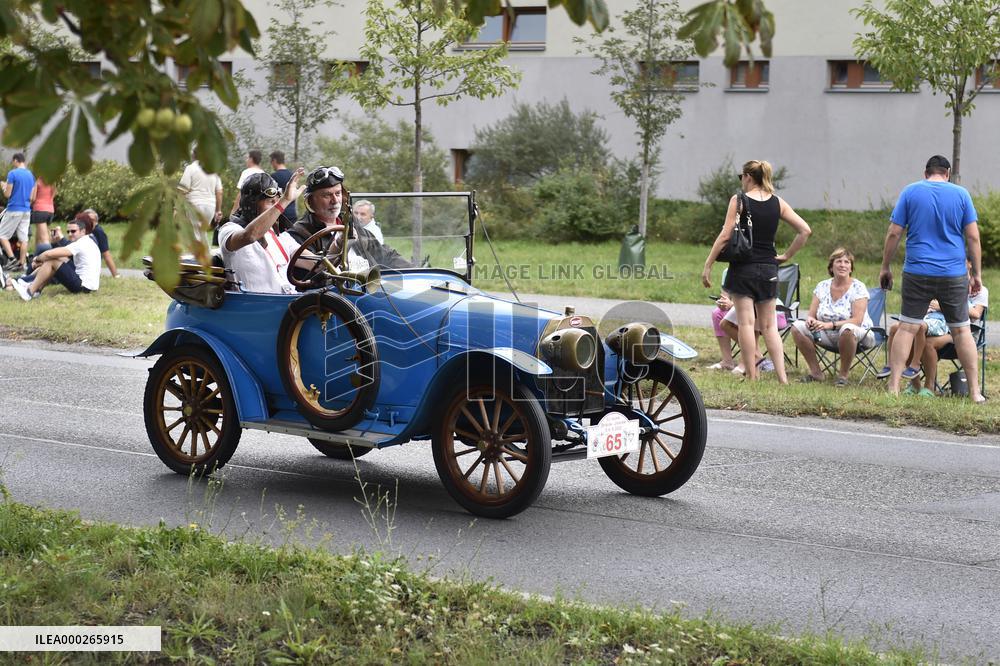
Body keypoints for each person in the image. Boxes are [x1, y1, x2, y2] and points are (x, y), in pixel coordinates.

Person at [879, 155, 985, 403]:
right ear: (947, 173)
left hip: (917, 270)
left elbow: (895, 232)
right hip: (953, 273)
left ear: (925, 172)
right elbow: (973, 238)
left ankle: (893, 387)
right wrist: (977, 274)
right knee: (961, 331)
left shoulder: (910, 191)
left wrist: (885, 266)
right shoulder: (961, 194)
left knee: (906, 327)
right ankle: (975, 393)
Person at [701, 159, 811, 383]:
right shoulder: (778, 202)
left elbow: (725, 235)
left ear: (749, 177)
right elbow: (804, 230)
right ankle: (783, 379)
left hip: (743, 268)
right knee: (769, 326)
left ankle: (752, 376)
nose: (741, 182)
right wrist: (787, 256)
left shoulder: (739, 200)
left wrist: (708, 264)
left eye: (742, 178)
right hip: (769, 268)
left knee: (747, 324)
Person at [790, 248, 875, 386]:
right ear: (831, 266)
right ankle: (816, 373)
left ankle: (843, 376)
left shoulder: (858, 287)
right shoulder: (822, 286)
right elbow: (811, 314)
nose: (842, 265)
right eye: (838, 261)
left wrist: (830, 325)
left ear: (851, 268)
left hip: (859, 335)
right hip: (826, 335)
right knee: (797, 326)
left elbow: (857, 320)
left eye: (847, 262)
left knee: (848, 329)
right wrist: (811, 321)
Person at [218, 169, 305, 294]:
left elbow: (317, 263)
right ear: (252, 204)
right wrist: (284, 201)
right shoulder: (229, 230)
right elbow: (250, 236)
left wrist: (340, 241)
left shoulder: (280, 237)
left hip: (288, 304)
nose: (277, 208)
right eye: (271, 202)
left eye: (277, 202)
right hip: (255, 306)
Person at [10, 214, 101, 300]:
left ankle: (29, 291)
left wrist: (36, 259)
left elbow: (49, 254)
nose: (70, 234)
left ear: (83, 231)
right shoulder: (87, 241)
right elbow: (59, 255)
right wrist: (54, 243)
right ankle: (34, 287)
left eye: (73, 231)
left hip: (84, 287)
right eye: (68, 231)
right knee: (58, 259)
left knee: (52, 261)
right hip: (89, 285)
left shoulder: (81, 243)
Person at [0, 152, 35, 271]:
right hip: (26, 209)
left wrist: (4, 187)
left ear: (16, 160)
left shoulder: (13, 174)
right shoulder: (31, 175)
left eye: (13, 161)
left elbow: (7, 194)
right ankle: (21, 263)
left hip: (14, 208)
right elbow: (32, 197)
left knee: (2, 235)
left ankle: (12, 259)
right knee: (23, 238)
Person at [177, 151, 223, 239]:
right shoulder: (213, 169)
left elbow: (183, 189)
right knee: (202, 233)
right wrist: (218, 211)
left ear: (193, 156)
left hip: (195, 204)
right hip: (210, 206)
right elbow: (219, 192)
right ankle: (205, 252)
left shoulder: (191, 168)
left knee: (195, 234)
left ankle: (199, 252)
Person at [81, 209, 120, 278]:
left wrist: (116, 275)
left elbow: (106, 255)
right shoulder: (82, 231)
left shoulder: (98, 232)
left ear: (95, 221)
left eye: (92, 220)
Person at [230, 150, 266, 217]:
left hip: (245, 210)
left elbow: (241, 193)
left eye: (247, 158)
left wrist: (233, 211)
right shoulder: (263, 173)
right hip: (258, 210)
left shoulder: (246, 172)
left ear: (251, 159)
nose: (246, 160)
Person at [269, 151, 297, 225]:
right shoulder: (292, 175)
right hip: (292, 213)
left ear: (274, 161)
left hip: (280, 213)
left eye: (271, 161)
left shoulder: (274, 176)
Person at [30, 176, 56, 248]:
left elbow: (33, 198)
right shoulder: (52, 181)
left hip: (40, 210)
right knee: (39, 235)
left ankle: (48, 255)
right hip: (50, 210)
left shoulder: (38, 181)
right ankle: (36, 255)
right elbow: (53, 194)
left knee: (44, 239)